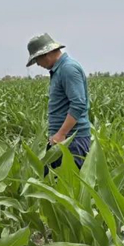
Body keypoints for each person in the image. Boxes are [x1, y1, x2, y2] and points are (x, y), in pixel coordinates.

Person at [26, 33, 92, 172]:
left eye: (37, 59)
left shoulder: (68, 69)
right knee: (52, 181)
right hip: (62, 138)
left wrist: (62, 133)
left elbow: (78, 104)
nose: (38, 64)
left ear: (47, 54)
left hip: (72, 139)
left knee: (70, 185)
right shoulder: (60, 70)